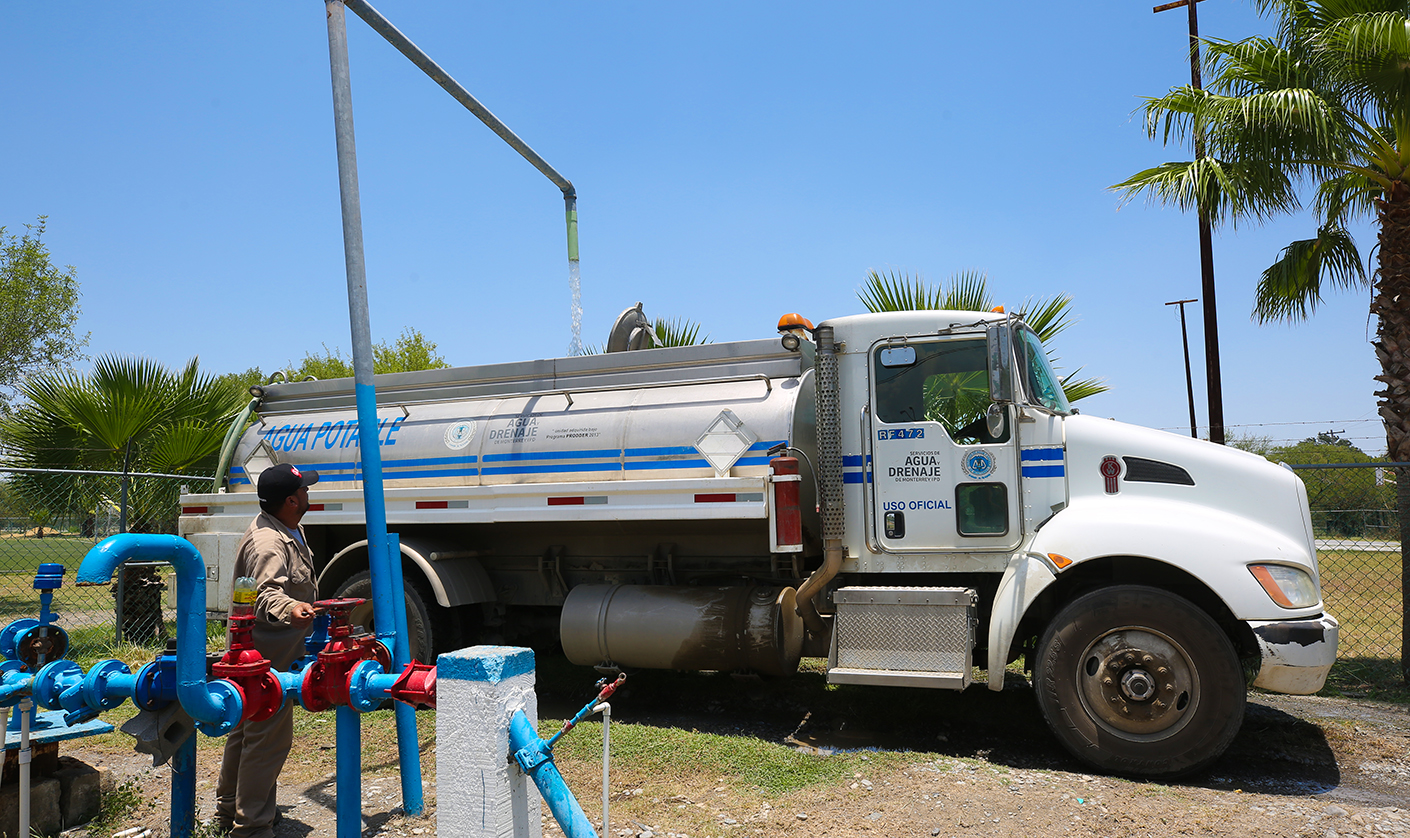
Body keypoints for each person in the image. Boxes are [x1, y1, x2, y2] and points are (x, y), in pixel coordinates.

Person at [216, 463, 320, 837]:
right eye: (304, 490)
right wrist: (291, 609)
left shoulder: (286, 528)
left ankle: (229, 810)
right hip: (264, 659)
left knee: (245, 732)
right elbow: (266, 594)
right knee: (267, 742)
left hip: (259, 654)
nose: (308, 494)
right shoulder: (269, 544)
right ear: (291, 501)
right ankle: (252, 828)